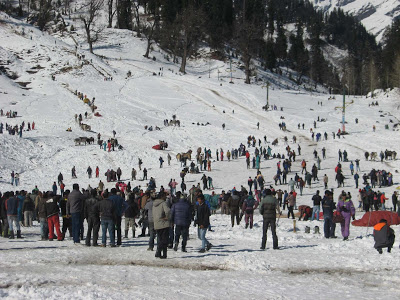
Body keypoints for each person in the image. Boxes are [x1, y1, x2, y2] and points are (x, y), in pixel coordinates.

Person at [153, 191, 170, 258]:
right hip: (163, 223)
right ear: (162, 197)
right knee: (164, 239)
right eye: (165, 196)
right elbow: (168, 211)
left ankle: (158, 252)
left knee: (159, 239)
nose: (166, 197)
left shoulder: (154, 204)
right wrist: (167, 217)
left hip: (157, 223)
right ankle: (164, 254)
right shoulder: (163, 203)